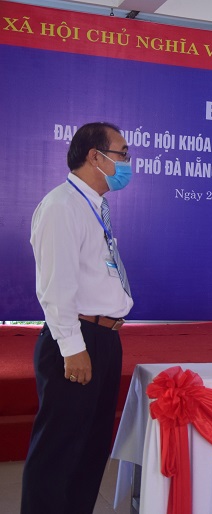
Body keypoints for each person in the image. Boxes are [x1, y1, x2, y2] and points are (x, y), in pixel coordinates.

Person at [22, 122, 134, 514]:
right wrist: (73, 348)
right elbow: (55, 287)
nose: (127, 163)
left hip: (104, 338)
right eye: (122, 154)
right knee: (59, 452)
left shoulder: (94, 206)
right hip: (77, 339)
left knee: (89, 451)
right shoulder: (61, 206)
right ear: (95, 156)